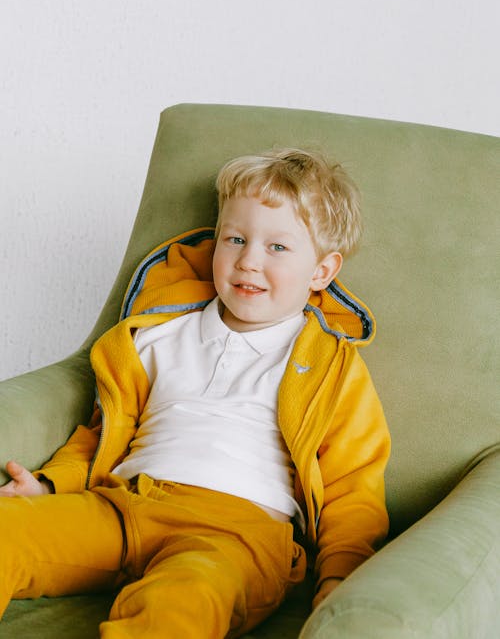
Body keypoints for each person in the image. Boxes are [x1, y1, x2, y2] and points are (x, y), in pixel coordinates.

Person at [0, 148, 390, 638]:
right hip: (123, 504)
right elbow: (102, 435)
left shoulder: (332, 367)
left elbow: (352, 490)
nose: (248, 260)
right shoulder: (158, 334)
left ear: (322, 272)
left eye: (277, 248)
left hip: (235, 534)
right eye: (236, 238)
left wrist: (340, 576)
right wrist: (52, 485)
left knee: (181, 601)